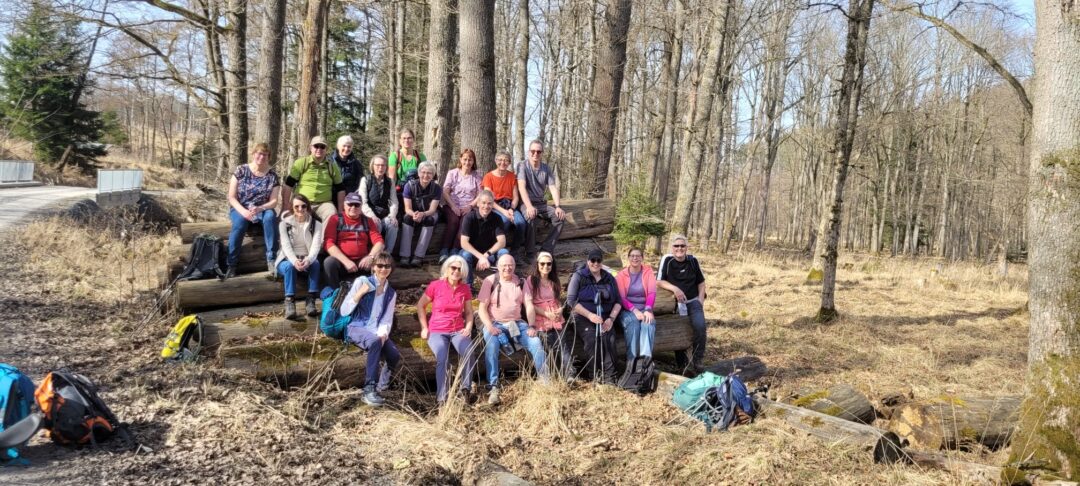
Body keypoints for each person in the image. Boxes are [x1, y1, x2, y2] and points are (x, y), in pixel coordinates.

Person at [478, 254, 548, 405]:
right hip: (495, 324)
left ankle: (545, 381)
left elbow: (529, 305)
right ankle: (493, 386)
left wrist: (531, 325)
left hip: (517, 324)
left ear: (515, 266)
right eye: (504, 265)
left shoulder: (521, 282)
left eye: (510, 265)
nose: (507, 268)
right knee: (491, 346)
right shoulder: (490, 281)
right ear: (498, 266)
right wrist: (489, 326)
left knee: (536, 342)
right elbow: (482, 308)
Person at [340, 252, 399, 407]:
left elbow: (386, 319)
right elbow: (344, 311)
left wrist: (383, 334)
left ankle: (382, 387)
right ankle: (369, 390)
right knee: (374, 342)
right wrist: (360, 293)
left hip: (375, 330)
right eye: (380, 265)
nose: (383, 269)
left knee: (394, 355)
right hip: (356, 327)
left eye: (387, 266)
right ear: (373, 267)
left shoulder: (391, 293)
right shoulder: (362, 281)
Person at [417, 255, 477, 405]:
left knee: (469, 352)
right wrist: (424, 327)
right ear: (447, 268)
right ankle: (442, 398)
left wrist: (468, 327)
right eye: (453, 268)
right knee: (442, 358)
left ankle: (465, 390)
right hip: (437, 330)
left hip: (457, 330)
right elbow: (420, 305)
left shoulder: (465, 289)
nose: (456, 271)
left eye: (459, 269)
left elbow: (469, 313)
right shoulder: (435, 285)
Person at [226, 143, 281, 278]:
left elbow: (274, 201)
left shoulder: (272, 176)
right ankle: (231, 263)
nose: (261, 157)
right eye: (259, 153)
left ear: (269, 157)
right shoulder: (241, 170)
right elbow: (231, 197)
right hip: (240, 207)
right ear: (253, 154)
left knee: (270, 218)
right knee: (240, 223)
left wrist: (261, 208)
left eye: (265, 155)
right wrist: (244, 212)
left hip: (262, 208)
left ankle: (271, 259)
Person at [566, 249, 621, 384]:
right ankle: (594, 375)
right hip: (582, 316)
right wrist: (590, 315)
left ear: (602, 262)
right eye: (593, 260)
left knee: (609, 338)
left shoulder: (609, 278)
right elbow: (571, 301)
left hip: (605, 317)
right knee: (592, 338)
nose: (595, 263)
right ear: (588, 261)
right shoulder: (579, 276)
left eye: (598, 260)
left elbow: (618, 301)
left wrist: (611, 319)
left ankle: (610, 377)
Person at [656, 234, 708, 374]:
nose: (679, 248)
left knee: (700, 326)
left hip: (693, 301)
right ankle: (682, 363)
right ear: (672, 248)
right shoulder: (667, 260)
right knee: (679, 328)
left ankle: (698, 359)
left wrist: (700, 301)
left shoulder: (693, 260)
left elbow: (701, 283)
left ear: (687, 247)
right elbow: (659, 281)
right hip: (674, 304)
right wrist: (675, 289)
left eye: (682, 246)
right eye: (676, 246)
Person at [524, 251, 576, 380]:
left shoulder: (554, 280)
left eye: (549, 264)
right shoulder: (531, 280)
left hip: (556, 318)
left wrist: (560, 310)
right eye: (542, 263)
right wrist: (546, 314)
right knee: (546, 347)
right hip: (540, 318)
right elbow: (529, 304)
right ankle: (549, 377)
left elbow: (557, 300)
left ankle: (570, 374)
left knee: (563, 346)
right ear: (537, 264)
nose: (545, 266)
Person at [322, 192, 386, 292]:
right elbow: (328, 243)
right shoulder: (335, 219)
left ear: (361, 207)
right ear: (344, 205)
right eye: (350, 204)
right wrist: (346, 261)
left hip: (363, 262)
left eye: (356, 205)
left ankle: (377, 291)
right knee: (329, 262)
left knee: (384, 260)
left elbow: (379, 242)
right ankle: (335, 293)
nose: (353, 207)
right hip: (342, 262)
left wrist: (371, 256)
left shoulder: (368, 221)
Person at [275, 194, 323, 320]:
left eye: (303, 206)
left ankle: (311, 299)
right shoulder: (284, 224)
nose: (300, 209)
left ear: (308, 207)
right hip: (287, 259)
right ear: (292, 207)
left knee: (316, 264)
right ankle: (290, 301)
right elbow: (286, 246)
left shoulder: (316, 224)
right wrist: (295, 261)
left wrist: (308, 260)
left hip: (306, 258)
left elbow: (316, 246)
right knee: (289, 266)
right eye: (296, 207)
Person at [516, 139, 566, 261]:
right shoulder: (522, 166)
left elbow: (553, 188)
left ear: (542, 153)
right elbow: (521, 187)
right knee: (531, 216)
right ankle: (530, 253)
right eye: (533, 151)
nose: (535, 154)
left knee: (559, 218)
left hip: (540, 203)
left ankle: (546, 250)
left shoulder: (546, 168)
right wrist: (529, 206)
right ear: (528, 152)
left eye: (539, 151)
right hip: (525, 203)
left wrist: (558, 206)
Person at [282, 135, 345, 222]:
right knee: (296, 219)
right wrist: (286, 206)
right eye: (316, 146)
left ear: (326, 149)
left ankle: (326, 232)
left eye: (322, 147)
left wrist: (340, 211)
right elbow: (288, 185)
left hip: (324, 204)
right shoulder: (301, 163)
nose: (319, 149)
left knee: (332, 215)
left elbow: (340, 189)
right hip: (302, 202)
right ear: (310, 148)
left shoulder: (332, 166)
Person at [439, 149, 483, 262]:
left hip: (468, 207)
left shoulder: (477, 176)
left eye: (470, 160)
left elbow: (480, 194)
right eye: (465, 159)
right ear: (460, 159)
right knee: (454, 221)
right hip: (451, 205)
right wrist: (453, 206)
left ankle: (455, 250)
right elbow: (445, 191)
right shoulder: (453, 173)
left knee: (464, 223)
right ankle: (444, 251)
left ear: (473, 161)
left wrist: (470, 206)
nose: (467, 162)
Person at [458, 190, 510, 286]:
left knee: (504, 253)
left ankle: (500, 283)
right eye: (483, 203)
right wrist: (480, 257)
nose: (486, 206)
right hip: (473, 254)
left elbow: (502, 242)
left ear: (493, 204)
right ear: (478, 203)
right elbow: (464, 243)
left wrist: (485, 255)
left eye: (489, 203)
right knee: (465, 255)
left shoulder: (497, 218)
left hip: (489, 254)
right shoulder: (469, 217)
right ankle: (468, 286)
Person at [615, 247, 657, 362]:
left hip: (645, 308)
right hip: (627, 310)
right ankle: (631, 361)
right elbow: (622, 298)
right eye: (632, 256)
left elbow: (652, 293)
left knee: (648, 324)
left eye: (638, 256)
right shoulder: (621, 275)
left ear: (642, 258)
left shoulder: (648, 272)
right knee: (633, 324)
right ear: (628, 258)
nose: (635, 258)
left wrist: (648, 309)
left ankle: (645, 362)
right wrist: (634, 310)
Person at [482, 152, 527, 256]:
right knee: (505, 221)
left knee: (521, 223)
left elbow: (515, 197)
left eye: (506, 160)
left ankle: (515, 252)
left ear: (509, 162)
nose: (503, 162)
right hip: (494, 206)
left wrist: (511, 209)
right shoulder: (488, 177)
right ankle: (495, 249)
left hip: (509, 206)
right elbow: (488, 198)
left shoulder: (512, 177)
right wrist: (504, 212)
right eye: (500, 160)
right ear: (496, 161)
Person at [399, 162, 441, 267]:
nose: (426, 175)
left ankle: (418, 256)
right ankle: (405, 256)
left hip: (428, 213)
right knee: (407, 218)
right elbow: (407, 208)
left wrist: (423, 214)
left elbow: (432, 210)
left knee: (429, 220)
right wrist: (414, 214)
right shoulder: (409, 186)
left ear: (433, 175)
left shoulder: (437, 188)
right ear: (418, 173)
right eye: (423, 172)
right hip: (413, 212)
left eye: (429, 173)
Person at [358, 154, 399, 256]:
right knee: (376, 224)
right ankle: (375, 255)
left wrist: (392, 215)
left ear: (386, 167)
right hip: (369, 215)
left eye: (383, 165)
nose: (380, 168)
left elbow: (394, 201)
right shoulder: (366, 180)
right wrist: (372, 216)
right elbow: (363, 202)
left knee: (393, 224)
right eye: (377, 165)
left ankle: (387, 254)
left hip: (384, 214)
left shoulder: (390, 182)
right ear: (372, 166)